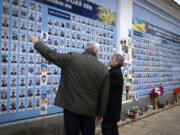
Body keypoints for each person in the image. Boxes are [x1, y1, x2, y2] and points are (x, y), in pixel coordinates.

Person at [29, 33, 109, 135]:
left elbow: (51, 55)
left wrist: (37, 42)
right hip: (90, 112)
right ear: (96, 51)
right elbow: (105, 95)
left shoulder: (72, 58)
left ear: (84, 49)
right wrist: (101, 114)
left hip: (71, 108)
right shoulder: (104, 69)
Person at [101, 54, 124, 135]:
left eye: (112, 58)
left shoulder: (114, 73)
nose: (110, 60)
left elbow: (106, 88)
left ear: (117, 62)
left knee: (106, 127)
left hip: (111, 108)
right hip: (114, 108)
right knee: (113, 127)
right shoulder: (116, 71)